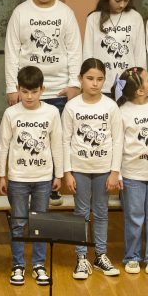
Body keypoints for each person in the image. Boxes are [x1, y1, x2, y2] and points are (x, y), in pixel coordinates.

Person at [0, 65, 62, 287]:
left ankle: (38, 264)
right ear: (18, 88)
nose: (29, 96)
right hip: (18, 178)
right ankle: (18, 265)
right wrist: (1, 175)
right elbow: (4, 145)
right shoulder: (11, 113)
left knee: (40, 221)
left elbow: (57, 144)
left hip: (43, 178)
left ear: (42, 89)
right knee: (18, 222)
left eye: (34, 92)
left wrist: (58, 174)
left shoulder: (52, 112)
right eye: (24, 91)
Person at [61, 58, 125, 280]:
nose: (95, 83)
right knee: (81, 213)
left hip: (104, 169)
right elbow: (65, 140)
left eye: (99, 79)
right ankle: (81, 257)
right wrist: (67, 172)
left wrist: (115, 172)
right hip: (79, 168)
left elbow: (118, 140)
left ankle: (100, 255)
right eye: (90, 78)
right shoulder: (72, 106)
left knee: (101, 212)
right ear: (80, 79)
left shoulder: (110, 106)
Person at [4, 0, 82, 110]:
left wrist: (75, 84)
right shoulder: (20, 12)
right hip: (27, 91)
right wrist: (12, 87)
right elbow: (11, 52)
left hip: (60, 92)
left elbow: (75, 51)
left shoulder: (66, 13)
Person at [117, 66, 148, 276]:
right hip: (132, 175)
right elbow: (118, 145)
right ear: (139, 90)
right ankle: (132, 256)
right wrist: (118, 173)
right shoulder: (123, 112)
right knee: (134, 217)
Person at [84, 0, 146, 83]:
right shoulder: (93, 18)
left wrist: (140, 81)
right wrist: (88, 81)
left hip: (129, 84)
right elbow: (88, 54)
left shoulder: (135, 17)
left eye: (126, 0)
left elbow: (140, 54)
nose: (122, 5)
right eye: (117, 0)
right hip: (100, 84)